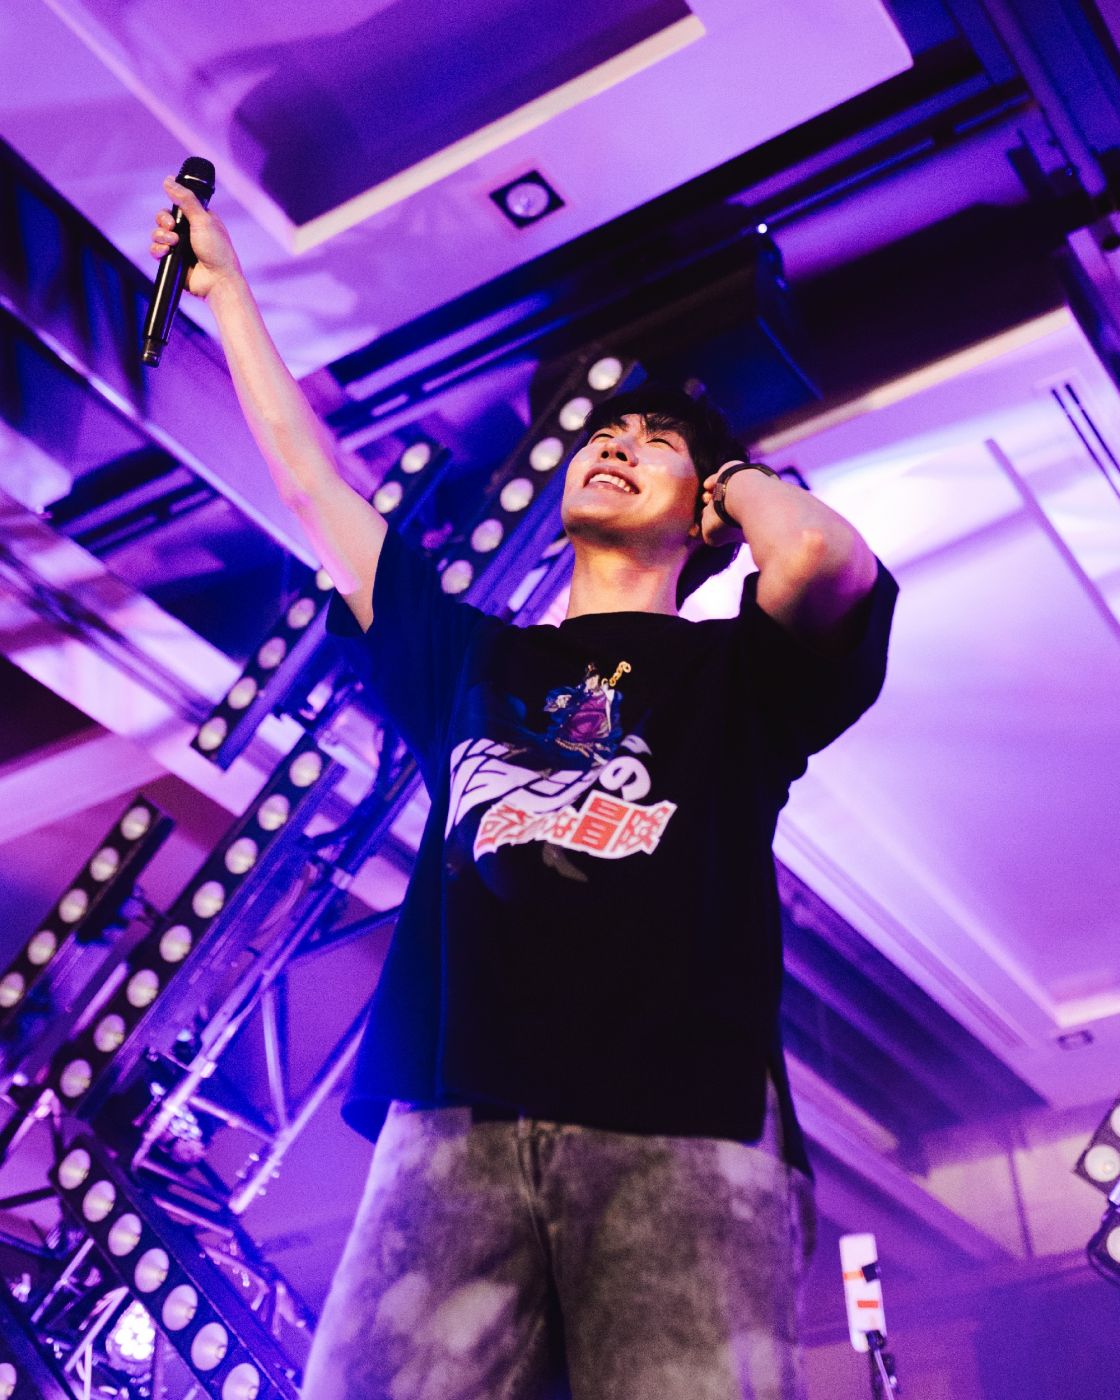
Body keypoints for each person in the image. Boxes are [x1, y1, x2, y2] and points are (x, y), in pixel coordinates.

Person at [150, 176, 897, 1400]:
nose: (619, 442)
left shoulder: (738, 672)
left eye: (657, 444)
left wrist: (732, 476)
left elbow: (816, 552)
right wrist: (229, 291)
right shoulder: (471, 661)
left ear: (705, 517)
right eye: (608, 433)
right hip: (455, 1119)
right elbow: (312, 489)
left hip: (683, 1118)